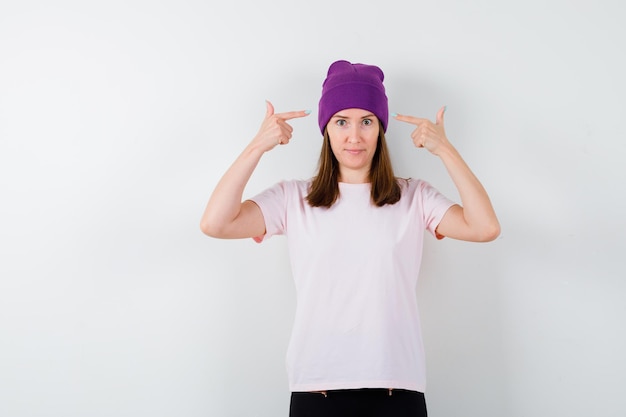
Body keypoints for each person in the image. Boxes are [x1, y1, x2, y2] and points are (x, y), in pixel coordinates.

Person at [200, 60, 500, 417]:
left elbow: (485, 228)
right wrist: (257, 147)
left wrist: (445, 150)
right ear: (326, 128)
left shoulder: (413, 197)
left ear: (380, 129)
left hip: (396, 389)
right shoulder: (295, 199)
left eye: (366, 122)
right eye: (342, 121)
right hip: (317, 390)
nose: (354, 136)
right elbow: (215, 224)